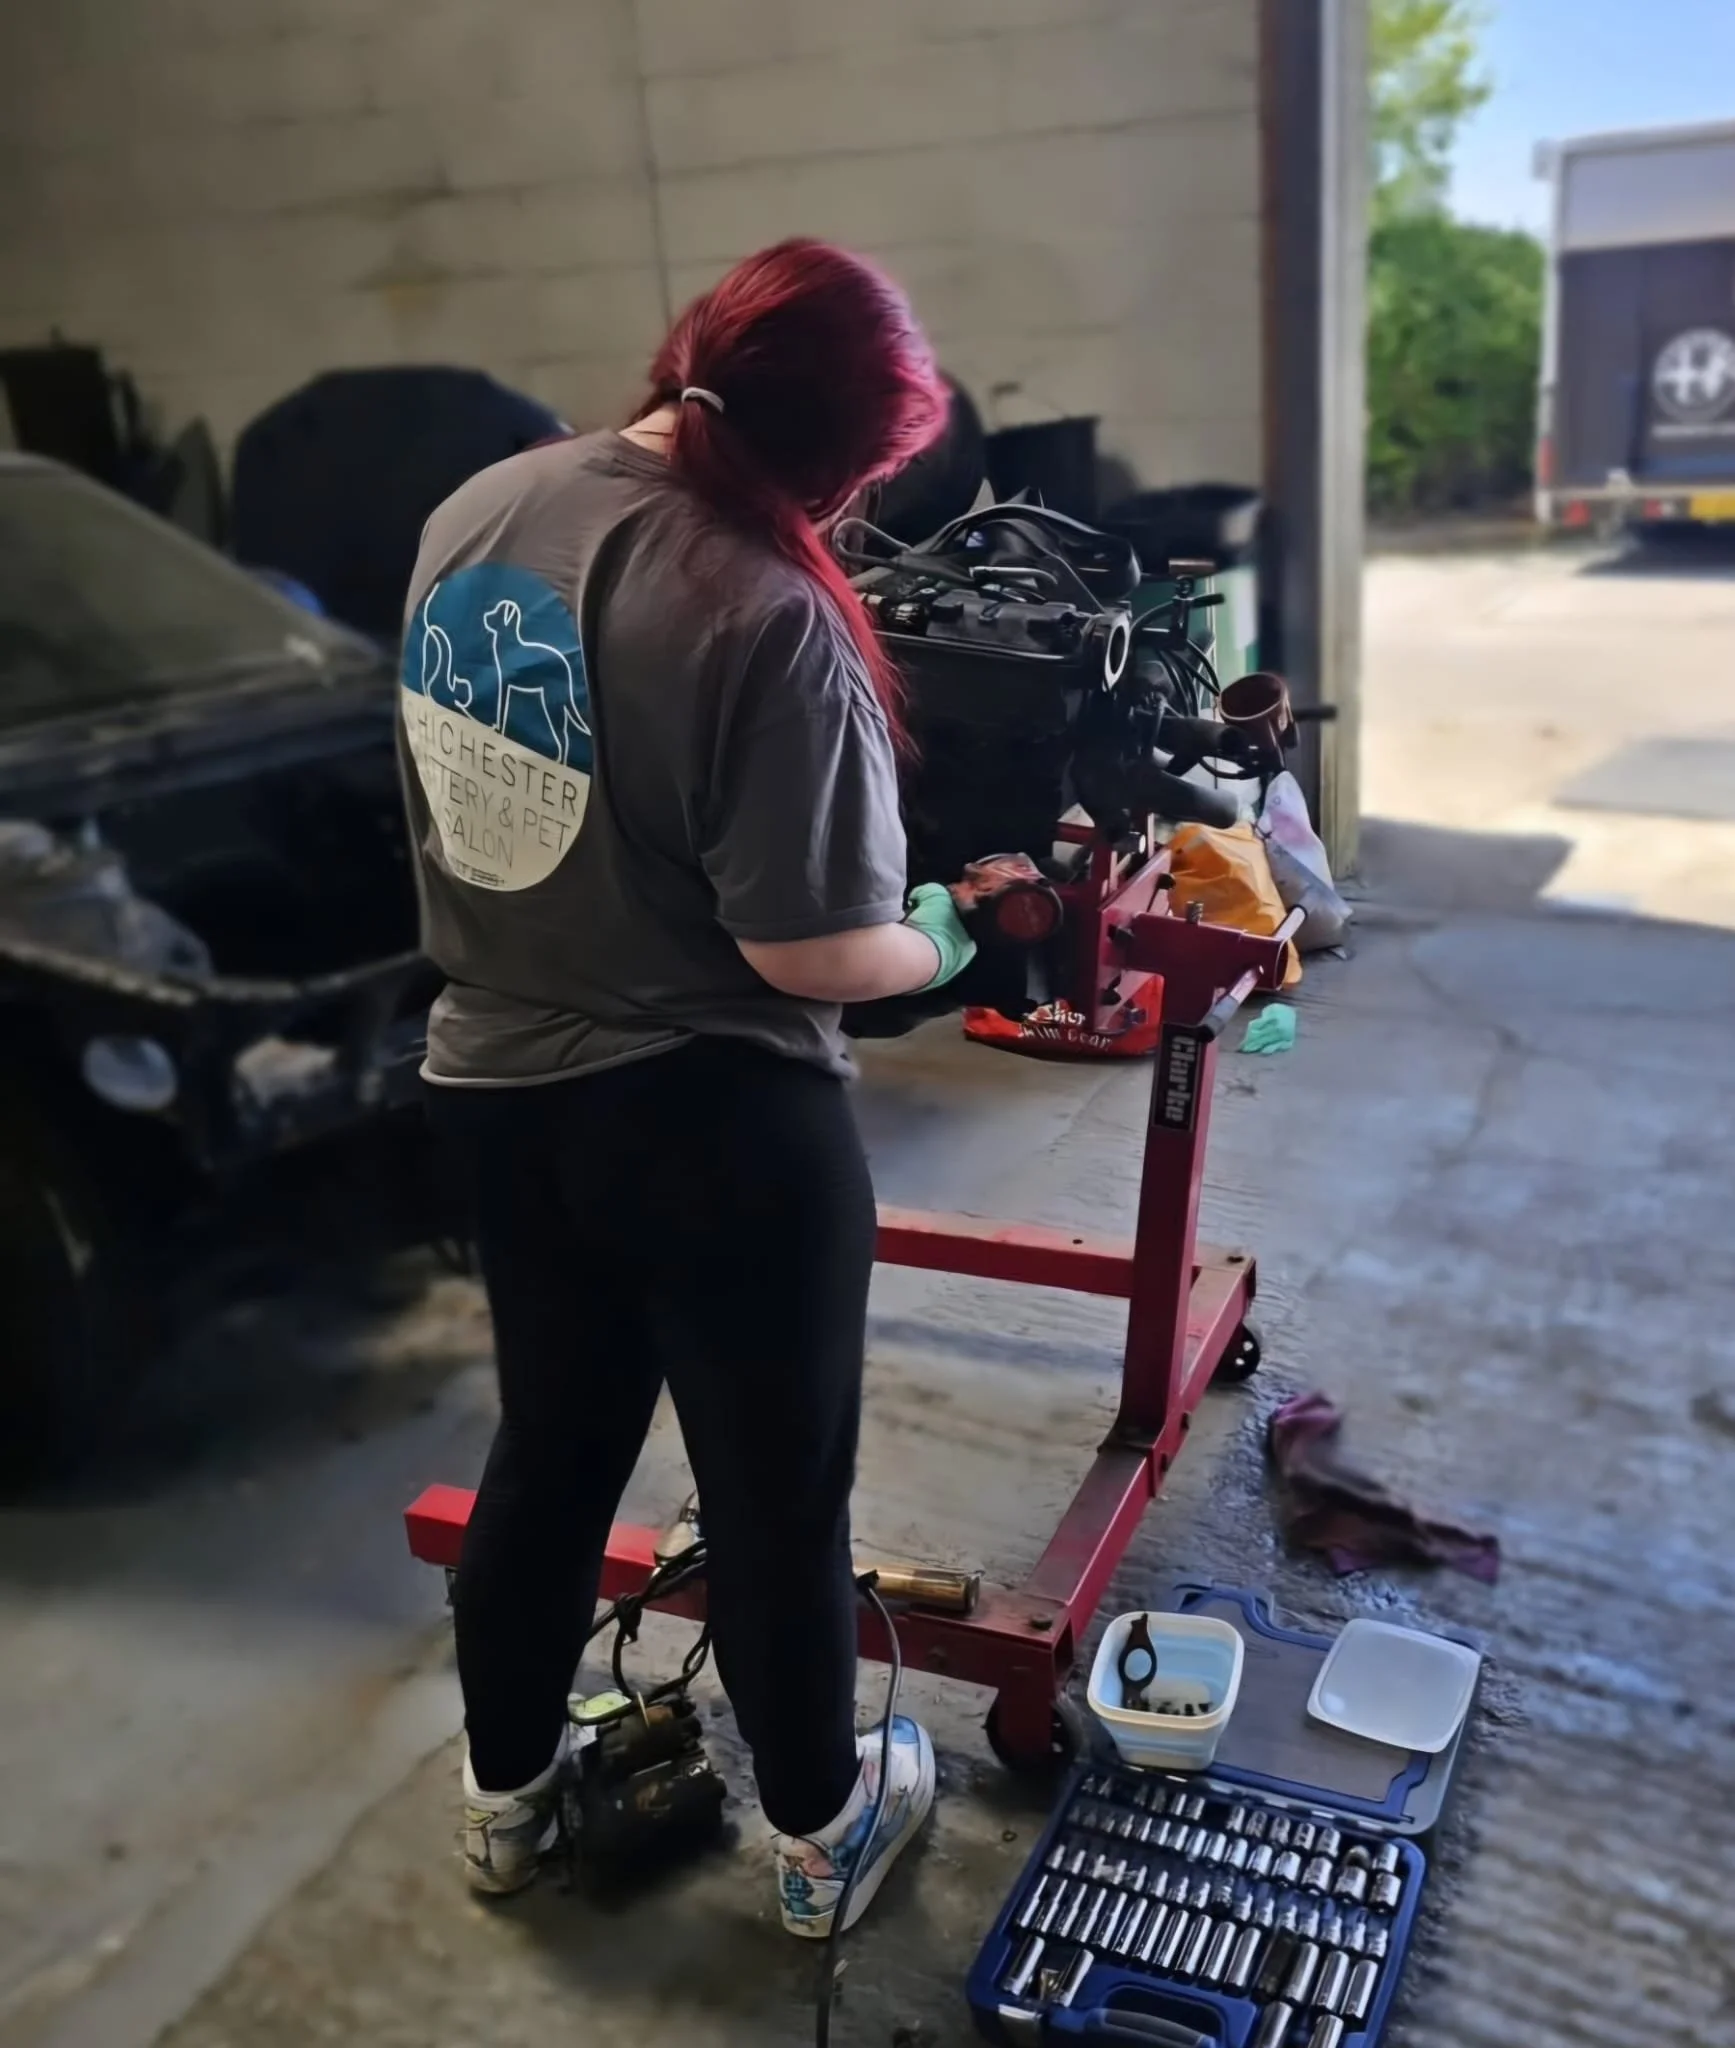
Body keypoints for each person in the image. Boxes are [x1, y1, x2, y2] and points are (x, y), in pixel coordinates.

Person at [397, 239, 995, 1937]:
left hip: (495, 1085)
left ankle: (505, 1808)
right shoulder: (770, 608)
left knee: (552, 1453)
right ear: (843, 457)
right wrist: (943, 932)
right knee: (771, 1498)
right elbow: (813, 954)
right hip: (716, 1127)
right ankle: (819, 1843)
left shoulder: (479, 511)